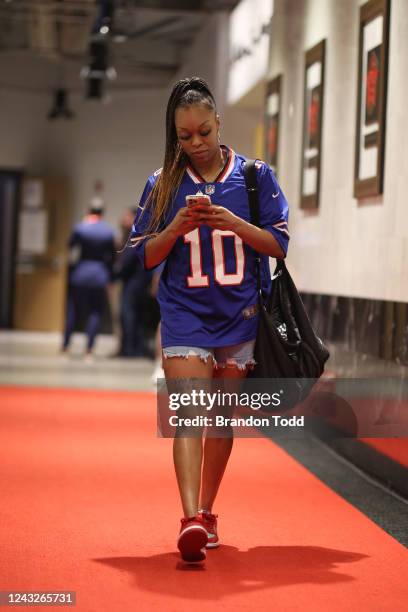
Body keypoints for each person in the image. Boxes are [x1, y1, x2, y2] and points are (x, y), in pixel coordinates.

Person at [130, 77, 290, 563]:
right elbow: (143, 257)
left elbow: (279, 244)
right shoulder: (163, 184)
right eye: (184, 136)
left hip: (239, 316)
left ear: (219, 122)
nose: (195, 143)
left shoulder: (255, 176)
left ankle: (207, 511)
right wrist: (175, 226)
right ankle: (189, 520)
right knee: (191, 416)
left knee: (220, 422)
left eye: (203, 131)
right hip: (184, 315)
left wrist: (233, 223)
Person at [62, 199, 115, 358]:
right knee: (95, 312)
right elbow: (112, 257)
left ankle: (65, 346)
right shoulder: (108, 231)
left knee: (73, 310)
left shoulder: (80, 228)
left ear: (88, 210)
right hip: (99, 275)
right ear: (102, 212)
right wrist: (110, 278)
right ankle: (89, 349)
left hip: (80, 274)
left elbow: (70, 246)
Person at [115, 208, 152, 357]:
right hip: (138, 283)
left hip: (134, 284)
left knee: (129, 317)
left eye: (127, 216)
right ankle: (131, 349)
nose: (124, 219)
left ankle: (130, 350)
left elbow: (127, 261)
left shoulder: (136, 235)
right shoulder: (137, 234)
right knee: (133, 317)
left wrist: (116, 272)